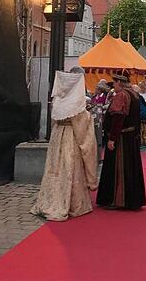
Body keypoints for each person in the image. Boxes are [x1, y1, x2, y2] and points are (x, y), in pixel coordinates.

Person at [31, 68, 100, 221]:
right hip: (71, 137)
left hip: (57, 136)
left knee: (55, 168)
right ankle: (72, 203)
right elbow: (82, 127)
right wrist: (88, 115)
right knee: (71, 169)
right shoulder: (77, 101)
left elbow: (54, 119)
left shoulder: (59, 98)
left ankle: (49, 199)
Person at [96, 73, 146, 210]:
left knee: (119, 168)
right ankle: (132, 200)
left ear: (119, 82)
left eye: (114, 83)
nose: (114, 86)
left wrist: (112, 138)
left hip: (122, 138)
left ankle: (118, 200)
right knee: (131, 168)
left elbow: (118, 118)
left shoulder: (121, 95)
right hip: (131, 137)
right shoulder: (134, 94)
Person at [133, 83, 146, 148]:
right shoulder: (140, 97)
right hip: (143, 115)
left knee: (141, 129)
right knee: (145, 129)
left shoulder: (135, 97)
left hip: (139, 116)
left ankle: (141, 141)